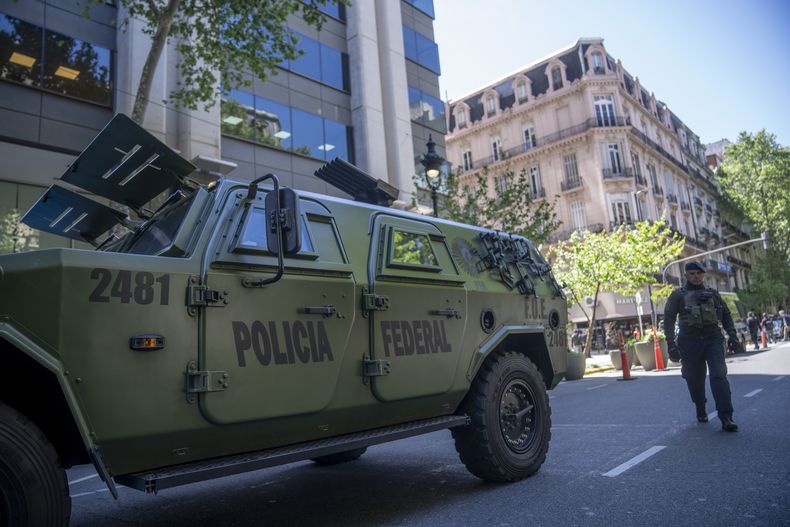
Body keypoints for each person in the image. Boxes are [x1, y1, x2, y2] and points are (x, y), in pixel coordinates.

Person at [664, 262, 740, 432]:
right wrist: (671, 345)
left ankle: (726, 417)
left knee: (719, 376)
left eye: (699, 273)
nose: (696, 276)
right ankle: (700, 406)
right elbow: (668, 320)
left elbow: (726, 315)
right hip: (689, 342)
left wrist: (733, 336)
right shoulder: (678, 295)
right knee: (694, 378)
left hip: (713, 339)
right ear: (686, 276)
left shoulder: (713, 294)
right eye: (692, 273)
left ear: (703, 275)